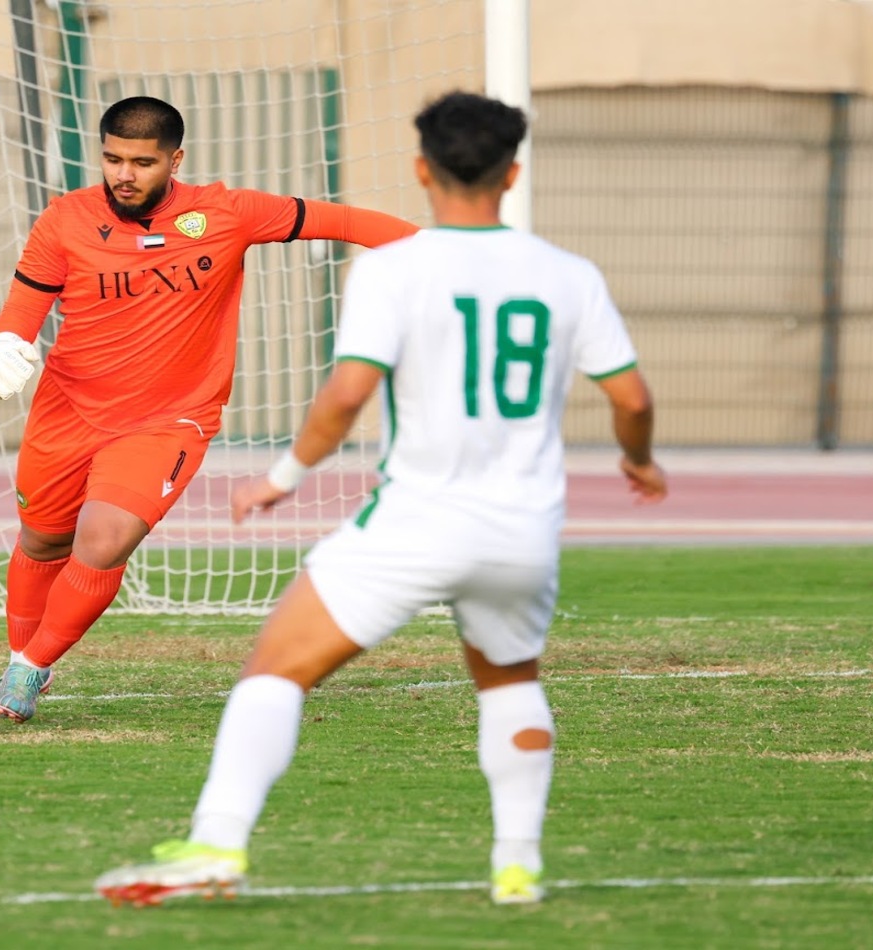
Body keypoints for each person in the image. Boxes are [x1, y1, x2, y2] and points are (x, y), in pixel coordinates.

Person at [93, 90, 668, 907]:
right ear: (514, 171)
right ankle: (517, 866)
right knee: (509, 679)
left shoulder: (395, 268)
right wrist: (638, 463)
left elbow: (345, 397)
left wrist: (280, 479)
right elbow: (634, 400)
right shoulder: (569, 276)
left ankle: (217, 844)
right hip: (523, 533)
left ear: (420, 169)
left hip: (417, 523)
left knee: (275, 671)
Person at [0, 96, 418, 723]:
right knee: (43, 540)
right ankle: (21, 652)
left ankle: (28, 669)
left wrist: (442, 252)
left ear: (174, 159)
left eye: (141, 162)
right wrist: (4, 343)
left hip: (168, 421)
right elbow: (24, 307)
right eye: (111, 159)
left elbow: (341, 221)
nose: (123, 174)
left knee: (102, 540)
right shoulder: (64, 220)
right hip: (67, 411)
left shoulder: (224, 213)